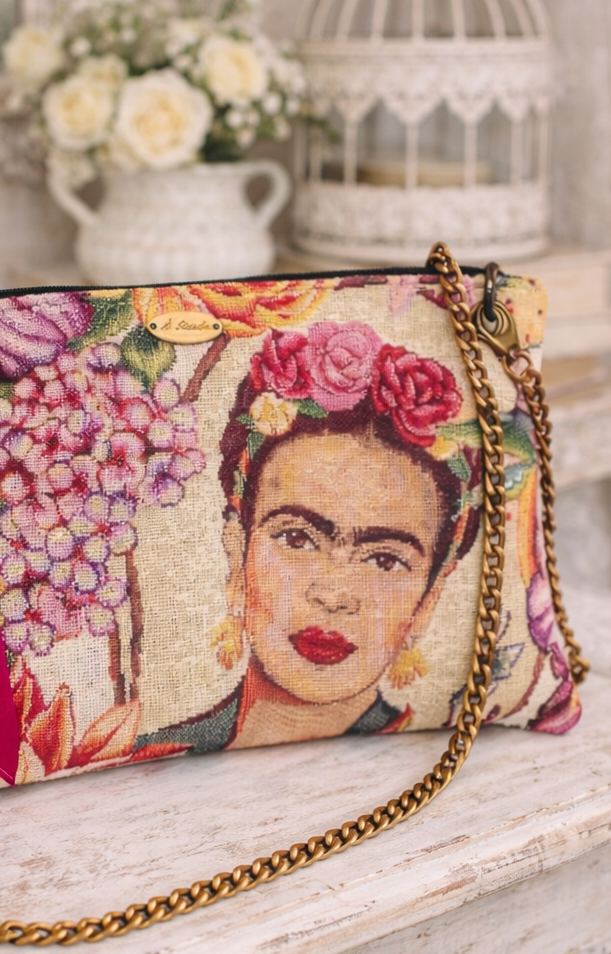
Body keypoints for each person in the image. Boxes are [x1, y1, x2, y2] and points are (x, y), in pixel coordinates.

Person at [137, 320, 478, 754]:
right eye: (297, 539)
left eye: (385, 560)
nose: (333, 595)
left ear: (428, 599)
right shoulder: (151, 748)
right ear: (238, 554)